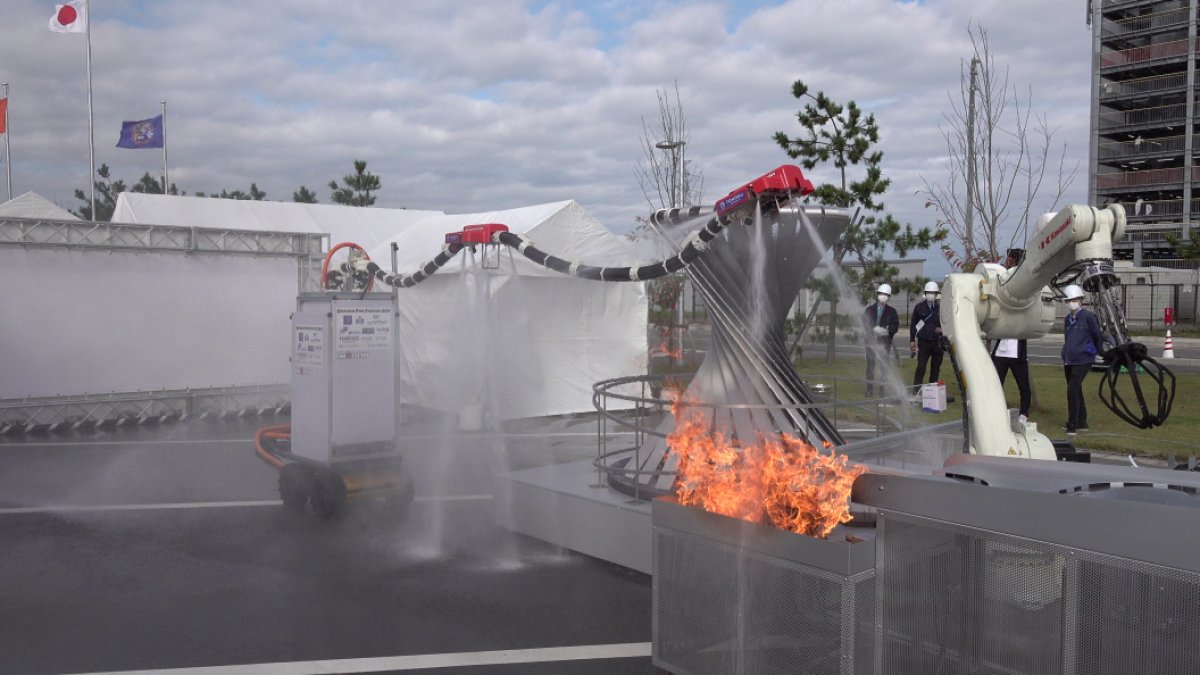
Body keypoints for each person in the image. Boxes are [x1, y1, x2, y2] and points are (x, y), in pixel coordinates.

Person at [990, 251, 1032, 424]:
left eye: (1010, 259)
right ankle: (995, 410)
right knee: (996, 383)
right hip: (1002, 352)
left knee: (1023, 385)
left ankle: (1024, 413)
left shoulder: (1023, 293)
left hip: (1016, 353)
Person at [1060, 284, 1103, 435]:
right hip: (1069, 359)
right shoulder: (1067, 319)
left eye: (1075, 299)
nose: (1072, 302)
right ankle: (1081, 421)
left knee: (1072, 390)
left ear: (1080, 300)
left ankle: (1072, 424)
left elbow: (1097, 336)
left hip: (1083, 359)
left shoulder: (1088, 317)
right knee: (1076, 390)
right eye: (1069, 300)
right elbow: (1068, 338)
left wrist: (1094, 351)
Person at [863, 283, 899, 398]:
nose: (883, 296)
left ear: (888, 297)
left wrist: (887, 331)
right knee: (870, 366)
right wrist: (873, 329)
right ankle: (869, 389)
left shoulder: (892, 311)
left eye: (886, 294)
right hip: (871, 343)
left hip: (884, 343)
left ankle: (882, 390)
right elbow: (864, 324)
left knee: (883, 368)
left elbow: (895, 325)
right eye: (881, 293)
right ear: (877, 294)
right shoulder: (869, 310)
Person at [909, 280, 943, 388]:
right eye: (928, 292)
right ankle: (916, 388)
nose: (931, 295)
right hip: (924, 342)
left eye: (933, 293)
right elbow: (913, 324)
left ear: (937, 294)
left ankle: (932, 389)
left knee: (936, 367)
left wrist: (943, 329)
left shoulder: (941, 308)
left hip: (938, 342)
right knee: (921, 366)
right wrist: (912, 340)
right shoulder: (919, 307)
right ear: (925, 293)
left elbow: (948, 322)